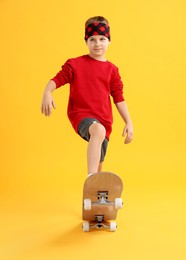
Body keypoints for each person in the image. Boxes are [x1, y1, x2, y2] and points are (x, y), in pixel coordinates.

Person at [41, 16, 134, 176]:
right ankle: (90, 177)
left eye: (102, 39)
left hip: (105, 121)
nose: (97, 44)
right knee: (97, 131)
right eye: (92, 39)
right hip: (81, 114)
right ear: (86, 41)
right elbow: (57, 79)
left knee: (99, 162)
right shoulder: (75, 64)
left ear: (109, 40)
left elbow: (118, 98)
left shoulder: (112, 70)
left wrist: (129, 122)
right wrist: (47, 91)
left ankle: (95, 191)